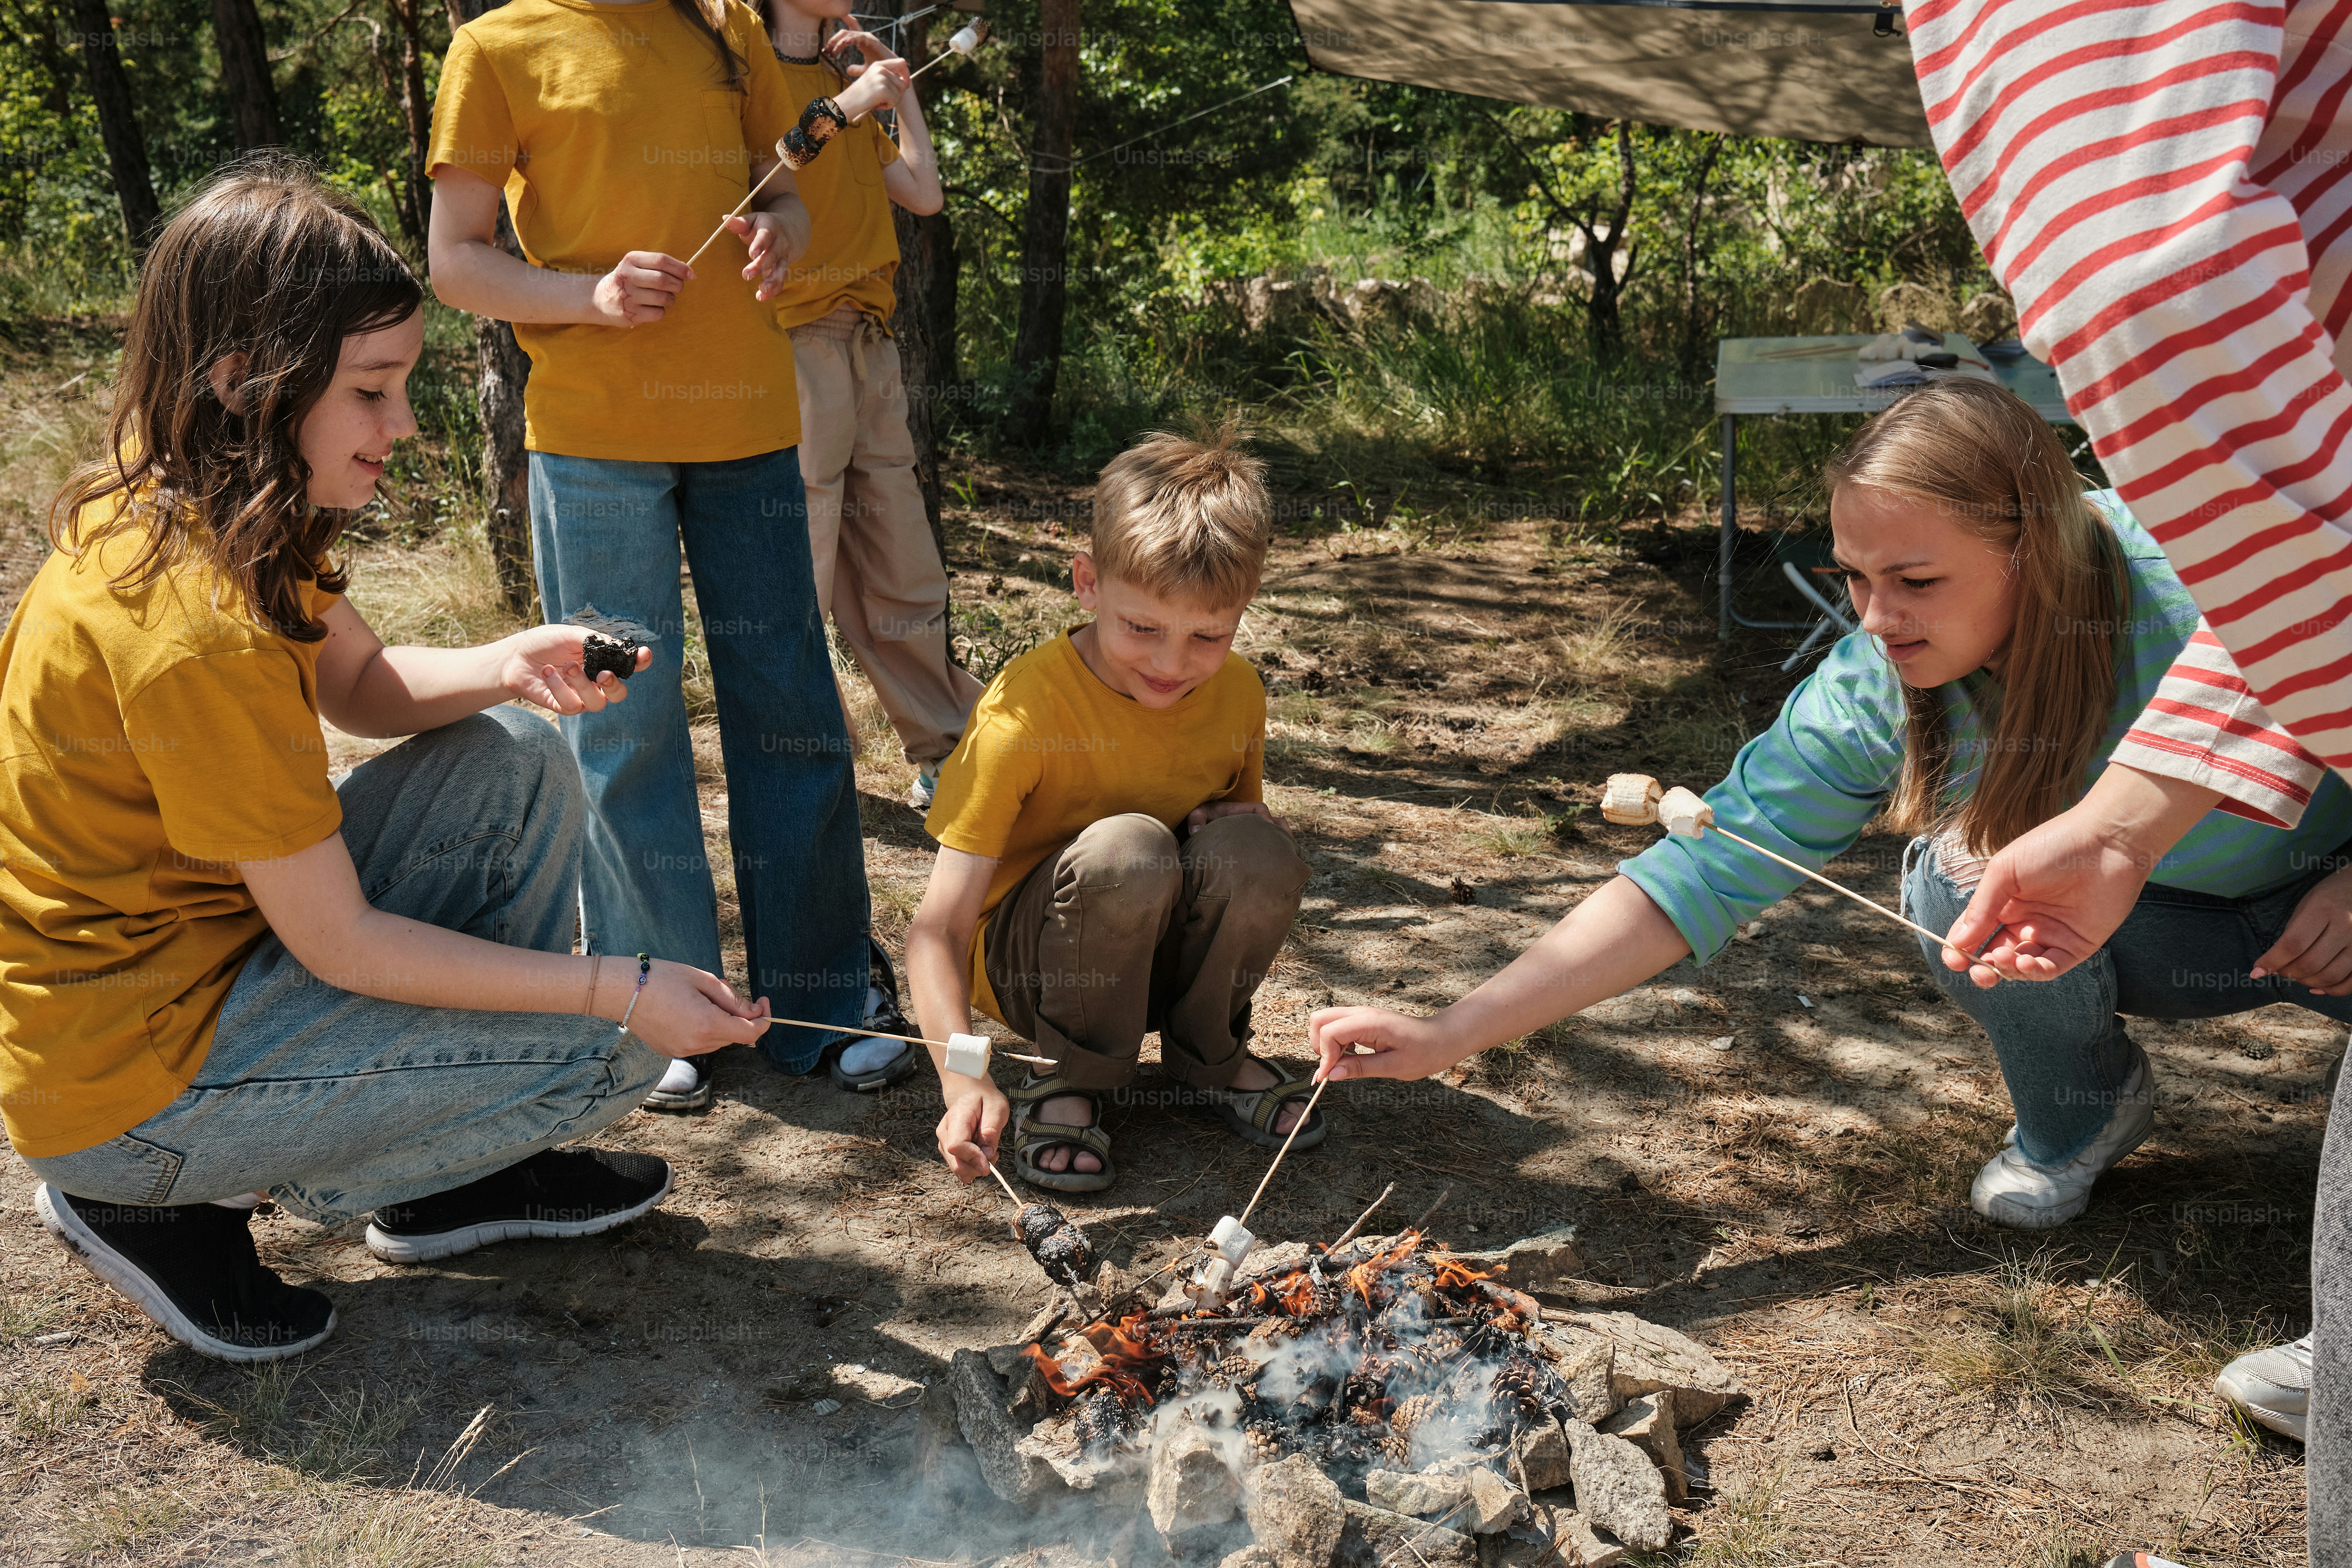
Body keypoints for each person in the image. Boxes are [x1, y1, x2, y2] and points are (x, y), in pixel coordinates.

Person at [2, 163, 774, 1363]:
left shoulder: (223, 507)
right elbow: (342, 943)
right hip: (128, 1093)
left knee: (514, 752)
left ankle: (450, 1184)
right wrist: (618, 987)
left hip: (205, 973)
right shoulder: (189, 627)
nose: (401, 426)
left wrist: (511, 662)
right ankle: (140, 1199)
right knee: (616, 1052)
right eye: (373, 391)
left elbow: (361, 688)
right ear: (242, 383)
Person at [1307, 377, 2352, 1231]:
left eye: (1916, 580)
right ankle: (2081, 1115)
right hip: (2146, 935)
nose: (1878, 618)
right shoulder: (1877, 681)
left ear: (2032, 553)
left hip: (2330, 919)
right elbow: (1704, 869)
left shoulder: (2215, 580)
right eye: (1854, 577)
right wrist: (1453, 1030)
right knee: (1953, 877)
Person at [427, 0, 907, 1113]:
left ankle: (824, 1001)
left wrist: (780, 231)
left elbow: (777, 181)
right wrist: (582, 299)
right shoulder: (497, 48)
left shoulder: (727, 23)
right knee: (625, 723)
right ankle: (660, 1005)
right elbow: (456, 263)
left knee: (789, 706)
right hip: (595, 443)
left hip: (748, 426)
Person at [910, 429, 1323, 1192]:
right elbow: (937, 931)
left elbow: (1232, 830)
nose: (1173, 665)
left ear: (1244, 607)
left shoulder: (1237, 693)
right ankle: (1071, 1076)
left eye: (1209, 634)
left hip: (1148, 943)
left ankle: (1211, 1056)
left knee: (1258, 851)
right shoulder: (1026, 710)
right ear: (1089, 582)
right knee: (1129, 849)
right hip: (1032, 966)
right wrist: (963, 1073)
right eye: (1143, 628)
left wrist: (1215, 823)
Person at [750, 2, 981, 1085]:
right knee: (803, 568)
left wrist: (899, 91)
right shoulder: (756, 75)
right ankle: (811, 775)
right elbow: (757, 181)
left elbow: (923, 193)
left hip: (870, 343)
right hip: (792, 346)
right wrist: (844, 101)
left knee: (901, 563)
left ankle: (947, 760)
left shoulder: (860, 105)